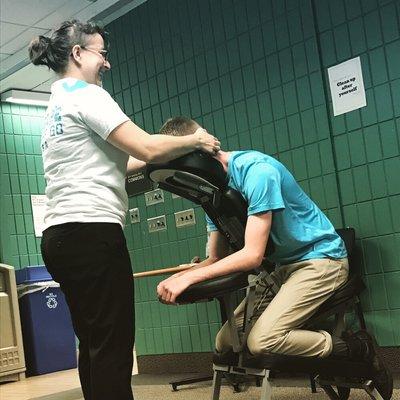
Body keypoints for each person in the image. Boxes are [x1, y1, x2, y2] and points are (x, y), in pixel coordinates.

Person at [28, 21, 219, 400]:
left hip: (61, 237)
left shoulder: (57, 105)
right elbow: (146, 147)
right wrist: (193, 140)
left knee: (96, 343)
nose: (107, 63)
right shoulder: (88, 96)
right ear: (78, 54)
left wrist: (159, 161)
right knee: (113, 348)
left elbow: (121, 163)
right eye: (102, 53)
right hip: (92, 233)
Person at [156, 116, 393, 400]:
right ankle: (322, 344)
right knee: (227, 342)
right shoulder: (211, 191)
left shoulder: (258, 171)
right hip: (284, 269)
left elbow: (253, 256)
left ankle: (357, 349)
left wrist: (193, 277)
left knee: (262, 342)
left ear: (199, 155)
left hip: (322, 260)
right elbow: (214, 258)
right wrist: (182, 276)